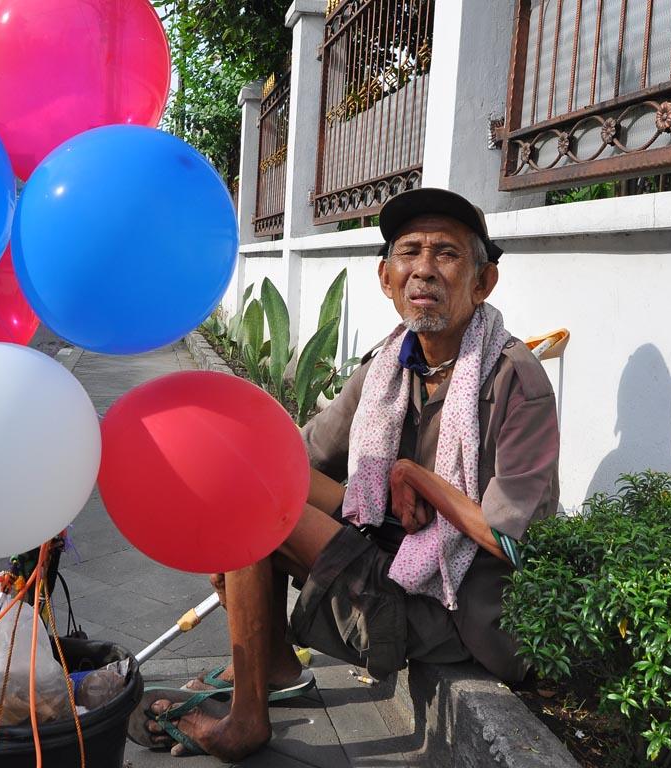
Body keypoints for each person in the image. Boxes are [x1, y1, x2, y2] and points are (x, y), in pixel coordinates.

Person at [136, 187, 561, 760]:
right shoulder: (387, 367)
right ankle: (279, 667)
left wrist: (419, 476)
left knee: (252, 516)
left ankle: (247, 723)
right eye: (409, 252)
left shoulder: (515, 378)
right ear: (386, 278)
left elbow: (514, 540)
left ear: (483, 283)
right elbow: (301, 455)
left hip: (454, 602)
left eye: (448, 254)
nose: (425, 270)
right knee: (253, 481)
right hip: (389, 555)